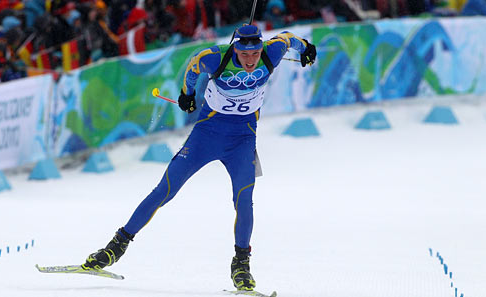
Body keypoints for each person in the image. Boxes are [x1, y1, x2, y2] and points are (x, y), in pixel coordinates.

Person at [82, 24, 316, 292]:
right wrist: (187, 95)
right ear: (236, 48)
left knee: (244, 200)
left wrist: (307, 48)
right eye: (245, 54)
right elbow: (193, 65)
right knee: (164, 190)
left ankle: (241, 265)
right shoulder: (215, 57)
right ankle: (115, 247)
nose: (251, 61)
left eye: (255, 54)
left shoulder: (271, 52)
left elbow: (290, 39)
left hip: (242, 141)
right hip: (206, 137)